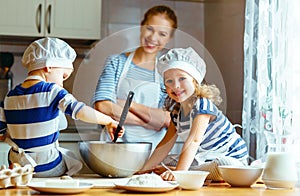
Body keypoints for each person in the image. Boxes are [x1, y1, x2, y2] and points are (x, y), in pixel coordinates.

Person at [0, 37, 124, 177]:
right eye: (63, 76)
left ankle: (18, 169)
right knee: (72, 161)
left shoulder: (9, 96)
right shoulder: (52, 91)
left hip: (18, 164)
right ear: (49, 66)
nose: (62, 84)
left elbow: (1, 132)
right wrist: (109, 121)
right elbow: (80, 111)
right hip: (47, 165)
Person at [138, 47, 249, 181]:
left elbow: (194, 141)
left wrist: (178, 173)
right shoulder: (176, 113)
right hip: (206, 157)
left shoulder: (202, 105)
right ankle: (189, 171)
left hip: (231, 158)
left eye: (182, 78)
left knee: (222, 165)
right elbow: (165, 145)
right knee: (167, 160)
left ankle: (187, 172)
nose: (176, 86)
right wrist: (144, 170)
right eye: (169, 81)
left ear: (195, 81)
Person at [92, 5, 177, 149]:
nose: (153, 38)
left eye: (162, 34)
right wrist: (148, 121)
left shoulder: (167, 72)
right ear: (141, 27)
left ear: (169, 39)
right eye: (149, 29)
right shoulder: (116, 62)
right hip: (114, 147)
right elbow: (102, 106)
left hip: (150, 152)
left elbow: (166, 119)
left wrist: (127, 104)